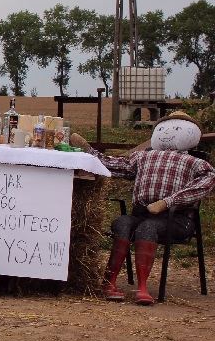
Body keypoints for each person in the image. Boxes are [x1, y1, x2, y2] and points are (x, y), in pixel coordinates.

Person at [70, 111, 215, 305]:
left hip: (176, 218)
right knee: (122, 223)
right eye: (163, 129)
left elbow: (205, 184)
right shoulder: (142, 157)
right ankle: (108, 282)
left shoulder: (196, 163)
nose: (167, 133)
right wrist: (88, 151)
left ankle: (143, 287)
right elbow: (113, 165)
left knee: (147, 228)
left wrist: (168, 202)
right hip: (142, 214)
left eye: (175, 129)